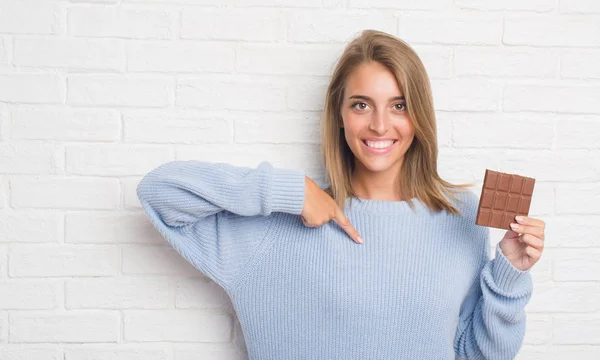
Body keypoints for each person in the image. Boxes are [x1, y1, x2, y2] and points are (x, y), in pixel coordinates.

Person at [136, 29, 546, 359]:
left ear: (419, 116)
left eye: (399, 105)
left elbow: (474, 355)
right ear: (339, 116)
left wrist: (508, 272)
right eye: (362, 105)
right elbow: (159, 193)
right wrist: (290, 191)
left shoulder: (461, 217)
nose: (381, 126)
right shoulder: (272, 229)